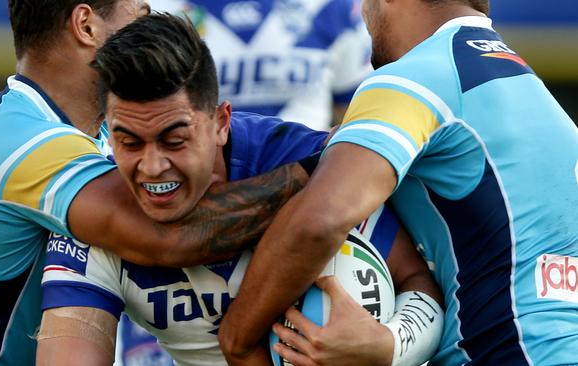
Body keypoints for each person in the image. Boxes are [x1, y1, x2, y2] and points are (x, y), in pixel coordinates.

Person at [35, 13, 444, 366]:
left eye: (175, 140)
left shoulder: (304, 161)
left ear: (220, 122)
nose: (152, 166)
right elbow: (70, 347)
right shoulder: (95, 211)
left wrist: (387, 346)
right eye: (129, 142)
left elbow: (415, 280)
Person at [0, 1, 319, 364]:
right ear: (86, 25)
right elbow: (169, 237)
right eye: (140, 9)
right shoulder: (23, 141)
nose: (150, 19)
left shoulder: (86, 137)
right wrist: (321, 174)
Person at [218, 0, 578, 364]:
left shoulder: (416, 76)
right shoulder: (534, 93)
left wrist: (236, 339)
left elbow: (319, 221)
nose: (362, 13)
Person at [146, 0, 373, 130]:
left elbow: (355, 115)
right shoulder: (153, 8)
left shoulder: (331, 6)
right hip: (197, 188)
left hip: (308, 183)